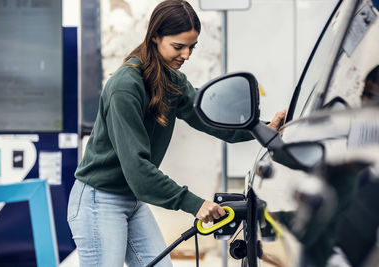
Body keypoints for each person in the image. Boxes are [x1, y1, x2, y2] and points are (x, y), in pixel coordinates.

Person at [67, 1, 286, 266]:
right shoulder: (125, 88)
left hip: (132, 200)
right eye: (179, 46)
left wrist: (262, 128)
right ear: (155, 36)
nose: (187, 55)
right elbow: (137, 169)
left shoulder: (173, 82)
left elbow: (212, 120)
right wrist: (195, 203)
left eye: (192, 47)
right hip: (98, 200)